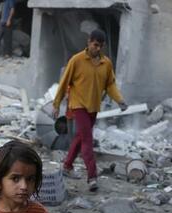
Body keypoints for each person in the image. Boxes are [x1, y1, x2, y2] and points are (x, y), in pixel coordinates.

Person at [52, 29, 127, 192]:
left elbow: (110, 85)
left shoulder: (106, 63)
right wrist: (56, 104)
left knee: (80, 137)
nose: (97, 49)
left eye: (100, 46)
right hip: (78, 105)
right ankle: (92, 177)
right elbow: (64, 83)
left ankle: (67, 166)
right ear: (89, 42)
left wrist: (120, 100)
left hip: (93, 107)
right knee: (87, 139)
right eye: (95, 45)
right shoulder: (77, 60)